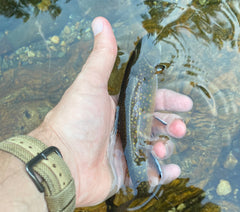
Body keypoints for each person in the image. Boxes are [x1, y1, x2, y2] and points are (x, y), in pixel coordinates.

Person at [0, 17, 193, 211]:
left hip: (115, 154)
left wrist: (63, 154)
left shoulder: (143, 72)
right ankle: (139, 194)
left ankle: (136, 194)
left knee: (154, 150)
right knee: (159, 145)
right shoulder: (148, 73)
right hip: (120, 150)